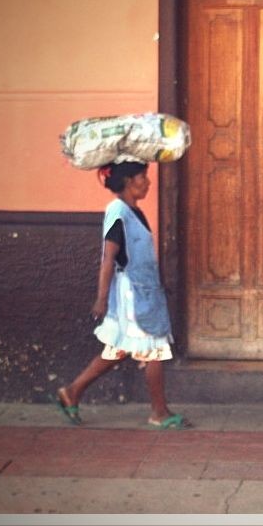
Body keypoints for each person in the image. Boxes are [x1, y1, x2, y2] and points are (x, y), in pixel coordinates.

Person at [55, 159, 190, 429]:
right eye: (143, 177)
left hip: (144, 292)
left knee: (118, 349)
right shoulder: (118, 211)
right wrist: (101, 298)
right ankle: (159, 412)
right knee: (153, 348)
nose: (148, 182)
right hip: (133, 296)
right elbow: (109, 258)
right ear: (129, 181)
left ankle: (72, 392)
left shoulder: (134, 211)